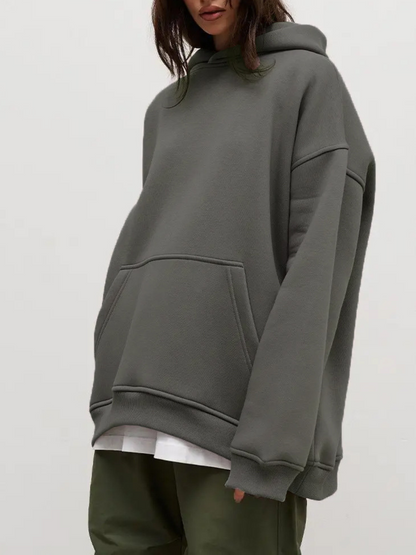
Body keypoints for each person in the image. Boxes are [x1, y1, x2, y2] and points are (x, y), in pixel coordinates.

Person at [87, 1, 376, 553]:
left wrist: (270, 445)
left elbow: (317, 272)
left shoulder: (308, 83)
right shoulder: (167, 107)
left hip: (232, 431)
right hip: (131, 414)